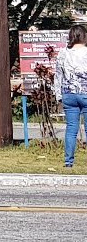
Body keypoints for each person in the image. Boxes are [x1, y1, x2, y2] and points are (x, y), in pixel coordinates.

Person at [54, 24, 87, 167]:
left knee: (71, 129)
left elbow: (58, 76)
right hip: (85, 93)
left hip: (68, 95)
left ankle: (68, 162)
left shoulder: (63, 53)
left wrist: (58, 95)